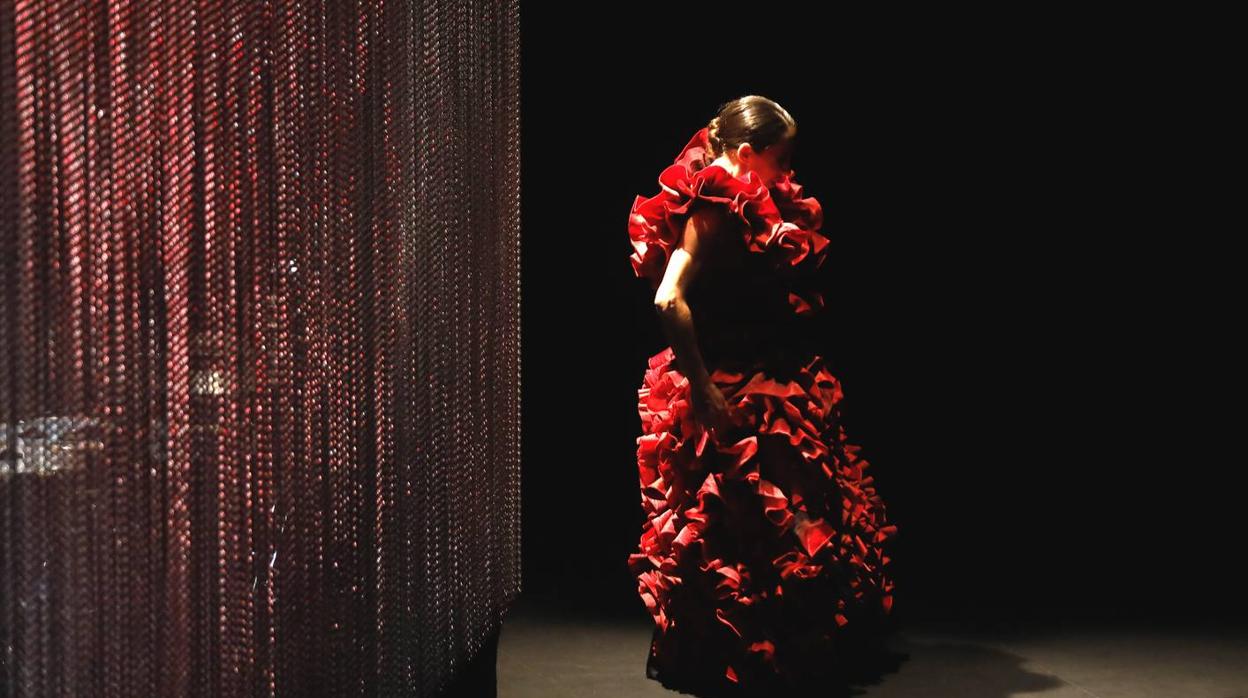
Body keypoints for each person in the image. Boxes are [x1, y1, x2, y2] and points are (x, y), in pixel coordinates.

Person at [626, 95, 900, 695]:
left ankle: (773, 656)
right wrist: (701, 388)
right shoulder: (714, 203)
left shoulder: (745, 195)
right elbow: (668, 297)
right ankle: (751, 660)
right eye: (781, 157)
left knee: (772, 529)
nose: (787, 170)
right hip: (737, 388)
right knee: (744, 527)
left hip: (771, 379)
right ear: (747, 153)